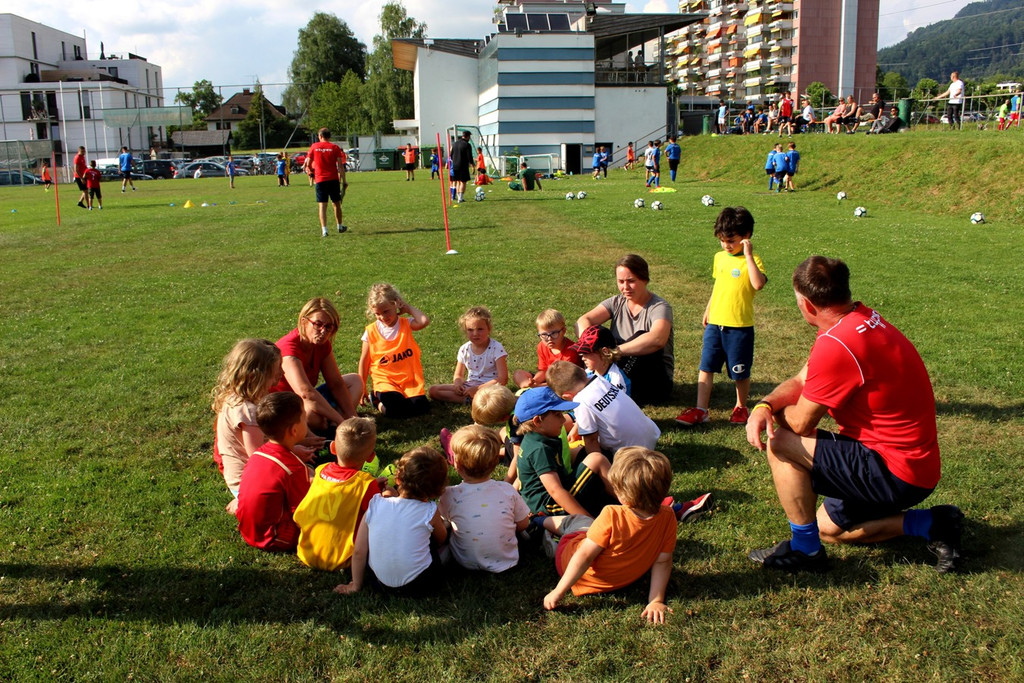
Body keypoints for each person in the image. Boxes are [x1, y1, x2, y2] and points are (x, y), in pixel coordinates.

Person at [745, 256, 963, 573]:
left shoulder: (839, 344)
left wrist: (770, 418)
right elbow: (801, 380)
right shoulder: (858, 319)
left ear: (806, 304)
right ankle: (933, 521)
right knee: (827, 529)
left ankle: (806, 553)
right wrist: (765, 404)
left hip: (894, 470)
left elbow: (802, 423)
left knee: (781, 443)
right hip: (915, 464)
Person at [540, 447, 677, 624]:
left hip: (571, 564)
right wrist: (656, 600)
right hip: (621, 580)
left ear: (621, 494)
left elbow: (584, 556)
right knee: (588, 529)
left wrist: (559, 591)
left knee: (579, 522)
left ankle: (538, 523)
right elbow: (663, 561)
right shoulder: (668, 516)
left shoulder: (612, 514)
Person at [675, 207, 766, 428]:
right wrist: (709, 308)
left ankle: (740, 407)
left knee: (739, 372)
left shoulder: (752, 260)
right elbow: (719, 285)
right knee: (706, 367)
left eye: (731, 240)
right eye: (722, 240)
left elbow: (758, 284)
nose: (726, 245)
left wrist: (747, 256)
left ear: (746, 237)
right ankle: (701, 409)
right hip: (716, 323)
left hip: (740, 327)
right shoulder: (720, 258)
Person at [212, 338, 314, 513]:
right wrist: (293, 452)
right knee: (309, 480)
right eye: (276, 371)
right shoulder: (247, 411)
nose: (281, 374)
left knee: (307, 472)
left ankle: (242, 499)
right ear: (256, 376)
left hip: (241, 477)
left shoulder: (234, 397)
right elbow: (260, 457)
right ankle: (242, 501)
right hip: (247, 481)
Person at [335, 446, 449, 596]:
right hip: (421, 585)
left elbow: (359, 552)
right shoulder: (429, 511)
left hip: (379, 583)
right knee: (444, 536)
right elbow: (441, 538)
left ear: (398, 479)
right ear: (438, 489)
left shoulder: (375, 505)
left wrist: (355, 585)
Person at [576, 254, 675, 405]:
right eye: (621, 282)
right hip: (618, 367)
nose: (625, 287)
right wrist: (590, 345)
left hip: (654, 380)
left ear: (644, 279)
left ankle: (597, 384)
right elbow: (583, 320)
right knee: (596, 332)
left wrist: (614, 351)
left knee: (641, 336)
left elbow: (657, 339)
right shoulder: (616, 302)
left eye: (631, 281)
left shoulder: (659, 307)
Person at [293, 417, 384, 571]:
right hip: (344, 559)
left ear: (333, 448)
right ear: (370, 457)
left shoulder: (320, 470)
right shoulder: (365, 484)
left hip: (307, 552)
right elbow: (380, 518)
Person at [438, 425, 531, 572]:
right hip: (508, 561)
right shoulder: (508, 490)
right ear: (495, 462)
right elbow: (523, 524)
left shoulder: (449, 495)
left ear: (457, 464)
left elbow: (443, 522)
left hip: (464, 563)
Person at [514, 387, 614, 518]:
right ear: (538, 421)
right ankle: (630, 502)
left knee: (594, 460)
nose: (562, 419)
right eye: (557, 415)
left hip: (552, 495)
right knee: (596, 459)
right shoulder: (539, 449)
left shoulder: (538, 438)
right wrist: (587, 521)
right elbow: (555, 491)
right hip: (548, 507)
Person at [235, 392, 312, 552]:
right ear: (294, 430)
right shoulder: (293, 468)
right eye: (304, 417)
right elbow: (304, 511)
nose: (307, 421)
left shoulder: (259, 454)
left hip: (248, 530)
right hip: (274, 537)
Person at [271, 297, 361, 435]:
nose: (323, 331)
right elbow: (305, 393)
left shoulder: (322, 344)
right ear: (304, 321)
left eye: (328, 327)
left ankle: (332, 423)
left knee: (355, 381)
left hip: (306, 399)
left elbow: (336, 383)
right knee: (313, 417)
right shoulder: (289, 350)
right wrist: (341, 421)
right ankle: (332, 425)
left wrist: (352, 417)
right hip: (285, 405)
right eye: (318, 324)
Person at [547, 361, 660, 456]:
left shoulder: (581, 401)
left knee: (575, 453)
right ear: (583, 371)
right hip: (650, 436)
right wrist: (577, 428)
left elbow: (591, 440)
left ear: (567, 396)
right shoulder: (599, 380)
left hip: (631, 454)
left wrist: (597, 466)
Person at [357, 283, 430, 418]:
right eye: (377, 314)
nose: (383, 317)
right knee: (396, 409)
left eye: (386, 311)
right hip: (385, 381)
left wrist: (407, 308)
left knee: (422, 407)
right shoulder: (370, 332)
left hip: (408, 380)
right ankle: (377, 401)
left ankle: (403, 400)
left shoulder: (406, 324)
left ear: (396, 304)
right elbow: (364, 361)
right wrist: (362, 387)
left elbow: (424, 321)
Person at [429, 306, 509, 403]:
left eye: (480, 329)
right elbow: (458, 375)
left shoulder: (496, 348)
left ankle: (476, 400)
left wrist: (478, 389)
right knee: (433, 390)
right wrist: (458, 385)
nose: (475, 333)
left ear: (489, 329)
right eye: (470, 330)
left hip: (490, 388)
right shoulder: (464, 349)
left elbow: (503, 379)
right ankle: (471, 399)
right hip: (469, 386)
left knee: (496, 398)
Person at [513, 309, 582, 389]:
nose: (549, 338)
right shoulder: (542, 346)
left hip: (565, 382)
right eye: (544, 335)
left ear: (563, 331)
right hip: (548, 378)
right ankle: (528, 388)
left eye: (554, 333)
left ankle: (533, 390)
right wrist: (534, 381)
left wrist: (539, 386)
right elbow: (543, 370)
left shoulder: (571, 351)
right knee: (518, 374)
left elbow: (565, 380)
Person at [303, 127, 349, 237]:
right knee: (336, 203)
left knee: (322, 206)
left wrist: (311, 172)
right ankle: (339, 225)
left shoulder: (314, 147)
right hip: (333, 179)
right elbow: (340, 166)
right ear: (329, 136)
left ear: (320, 136)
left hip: (320, 180)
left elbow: (308, 163)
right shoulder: (334, 147)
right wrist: (344, 180)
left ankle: (324, 230)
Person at [573, 325, 630, 396]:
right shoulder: (589, 372)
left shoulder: (616, 379)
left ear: (605, 352)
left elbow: (616, 404)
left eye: (587, 353)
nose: (583, 358)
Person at [450, 130, 473, 203]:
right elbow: (469, 156)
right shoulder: (467, 145)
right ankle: (460, 198)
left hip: (455, 165)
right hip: (463, 165)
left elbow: (451, 154)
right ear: (468, 136)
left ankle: (458, 196)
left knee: (458, 181)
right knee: (463, 182)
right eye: (469, 137)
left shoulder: (454, 144)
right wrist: (472, 164)